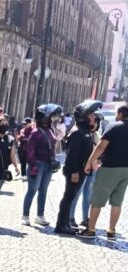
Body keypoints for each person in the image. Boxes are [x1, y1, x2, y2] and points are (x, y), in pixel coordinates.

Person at [54, 99, 102, 235]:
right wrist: (74, 171)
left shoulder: (84, 131)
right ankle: (61, 225)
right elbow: (72, 156)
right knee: (68, 197)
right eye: (91, 114)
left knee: (71, 196)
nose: (94, 117)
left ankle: (66, 223)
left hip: (81, 170)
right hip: (75, 171)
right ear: (83, 116)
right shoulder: (77, 132)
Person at [81, 102, 128, 239]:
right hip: (126, 169)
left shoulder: (113, 126)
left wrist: (90, 161)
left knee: (97, 199)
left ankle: (90, 229)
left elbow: (101, 147)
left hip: (110, 168)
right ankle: (111, 230)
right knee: (117, 201)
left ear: (120, 114)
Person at [22, 103, 62, 226]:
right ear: (45, 117)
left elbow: (53, 148)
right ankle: (25, 215)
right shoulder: (35, 132)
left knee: (43, 191)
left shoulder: (50, 130)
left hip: (48, 164)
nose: (54, 119)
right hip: (37, 164)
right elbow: (30, 151)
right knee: (32, 190)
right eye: (52, 117)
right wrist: (33, 166)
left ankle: (40, 215)